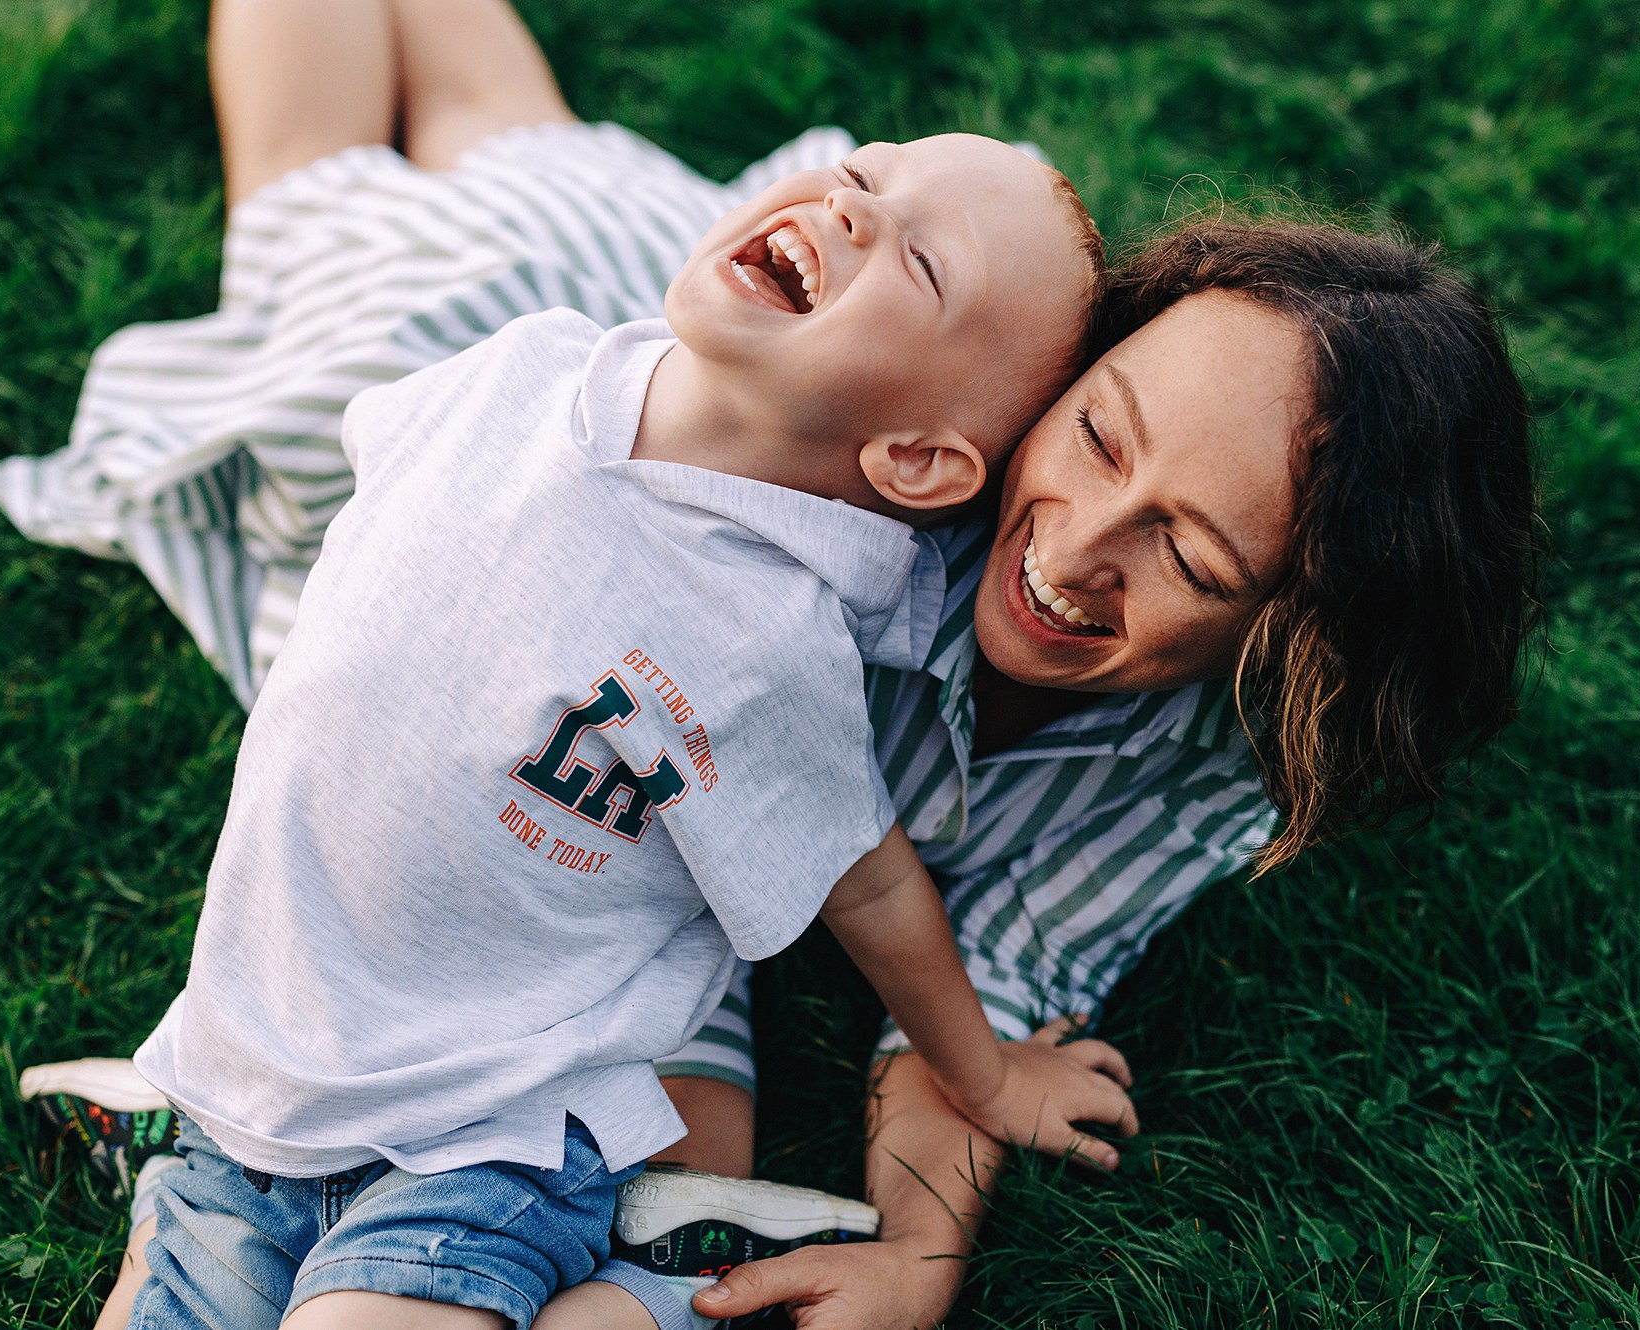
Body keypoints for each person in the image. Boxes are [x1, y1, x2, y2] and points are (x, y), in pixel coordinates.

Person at [0, 0, 1539, 1325]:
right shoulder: (855, 483)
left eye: (1190, 558)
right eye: (1095, 432)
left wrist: (921, 1249)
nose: (1073, 548)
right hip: (502, 335)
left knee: (493, 117)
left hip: (627, 571)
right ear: (1035, 398)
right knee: (340, 191)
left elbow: (978, 988)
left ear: (1286, 643)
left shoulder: (1186, 769)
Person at [103, 116, 1106, 1330]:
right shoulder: (522, 364)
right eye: (860, 172)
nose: (849, 207)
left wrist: (989, 1073)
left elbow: (869, 882)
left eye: (922, 262)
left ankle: (657, 1275)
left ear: (911, 458)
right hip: (258, 1062)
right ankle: (655, 1279)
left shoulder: (768, 641)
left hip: (500, 1123)